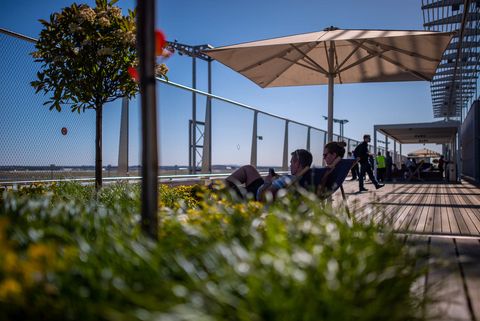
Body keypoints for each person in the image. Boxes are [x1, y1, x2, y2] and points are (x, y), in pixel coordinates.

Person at [225, 143, 345, 201]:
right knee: (249, 168)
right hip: (264, 188)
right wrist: (277, 179)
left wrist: (267, 182)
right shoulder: (311, 175)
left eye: (291, 162)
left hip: (256, 195)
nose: (290, 164)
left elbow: (266, 197)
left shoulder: (293, 179)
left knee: (244, 172)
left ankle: (217, 188)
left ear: (297, 163)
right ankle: (219, 186)